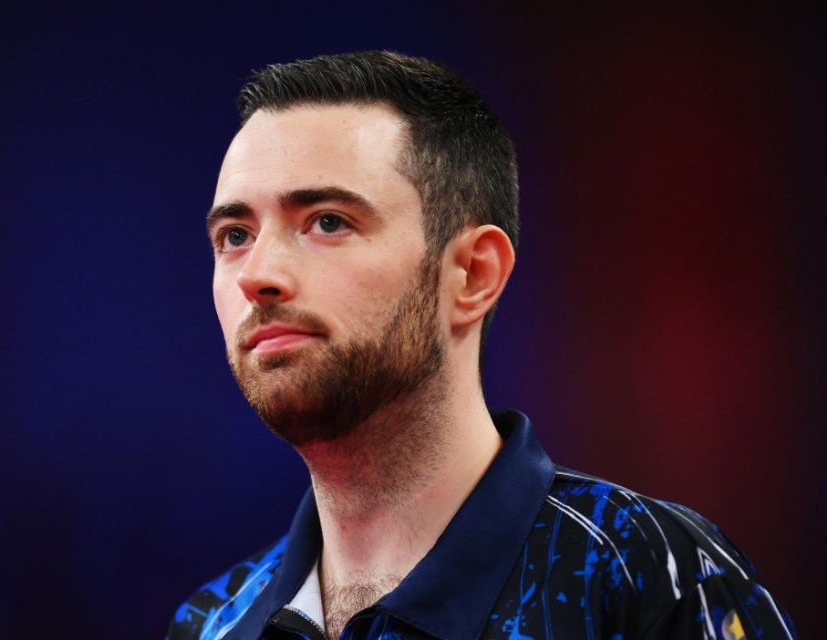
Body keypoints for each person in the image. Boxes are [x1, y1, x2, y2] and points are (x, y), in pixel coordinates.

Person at [167, 51, 795, 640]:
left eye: (328, 221)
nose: (257, 274)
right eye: (235, 235)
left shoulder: (647, 571)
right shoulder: (211, 621)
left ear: (473, 274)